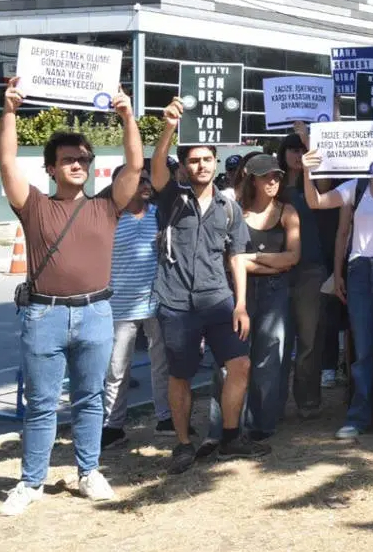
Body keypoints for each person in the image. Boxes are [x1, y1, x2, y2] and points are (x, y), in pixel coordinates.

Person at [0, 78, 143, 517]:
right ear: (51, 168)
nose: (77, 164)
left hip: (97, 312)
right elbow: (5, 161)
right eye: (68, 159)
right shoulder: (35, 205)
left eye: (83, 159)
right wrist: (8, 112)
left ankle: (89, 471)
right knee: (41, 405)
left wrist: (127, 116)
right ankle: (30, 481)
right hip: (45, 316)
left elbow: (134, 167)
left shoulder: (106, 206)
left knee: (90, 398)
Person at [151, 98, 268, 474]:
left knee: (240, 364)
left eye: (207, 159)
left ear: (216, 162)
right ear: (184, 166)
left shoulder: (229, 207)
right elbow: (155, 169)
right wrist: (169, 127)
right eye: (194, 160)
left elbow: (237, 256)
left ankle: (231, 438)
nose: (201, 166)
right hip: (176, 303)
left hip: (219, 302)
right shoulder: (171, 198)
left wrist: (241, 304)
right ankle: (184, 444)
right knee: (181, 376)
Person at [301, 147, 373, 439]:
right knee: (362, 349)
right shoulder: (354, 186)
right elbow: (316, 201)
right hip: (360, 269)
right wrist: (307, 171)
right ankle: (358, 416)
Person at [101, 165, 173, 448]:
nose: (146, 183)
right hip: (118, 307)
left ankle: (165, 418)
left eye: (147, 179)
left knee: (161, 365)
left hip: (156, 303)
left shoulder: (159, 215)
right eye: (139, 179)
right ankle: (113, 426)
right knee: (117, 369)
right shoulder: (109, 218)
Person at [232, 154, 300, 441]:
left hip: (275, 290)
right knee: (234, 361)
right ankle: (226, 423)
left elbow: (293, 257)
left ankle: (261, 425)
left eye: (277, 176)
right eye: (267, 176)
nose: (273, 181)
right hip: (241, 292)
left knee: (270, 359)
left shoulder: (288, 211)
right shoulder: (237, 212)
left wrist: (251, 259)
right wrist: (254, 263)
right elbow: (231, 260)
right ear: (253, 180)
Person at [279, 127, 329, 418]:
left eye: (302, 150)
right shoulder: (274, 184)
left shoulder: (316, 181)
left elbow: (324, 190)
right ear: (283, 154)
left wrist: (311, 144)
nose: (298, 155)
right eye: (294, 150)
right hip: (277, 270)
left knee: (310, 341)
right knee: (278, 341)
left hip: (311, 268)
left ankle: (308, 400)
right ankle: (274, 401)